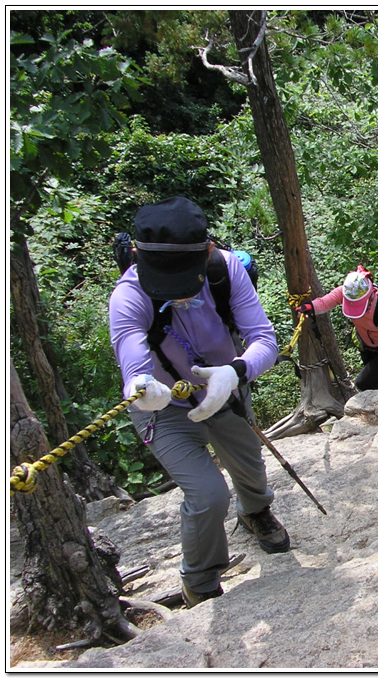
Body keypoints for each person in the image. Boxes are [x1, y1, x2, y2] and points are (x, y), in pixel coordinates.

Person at [109, 196, 287, 608]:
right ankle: (201, 579)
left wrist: (236, 372)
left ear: (207, 251)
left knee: (250, 466)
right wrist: (140, 386)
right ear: (137, 255)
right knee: (208, 495)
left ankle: (255, 511)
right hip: (166, 409)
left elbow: (264, 339)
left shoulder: (225, 271)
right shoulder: (128, 295)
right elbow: (131, 356)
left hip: (226, 390)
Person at [298, 266, 378, 394]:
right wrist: (309, 306)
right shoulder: (348, 292)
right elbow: (324, 302)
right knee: (373, 384)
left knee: (363, 383)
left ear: (369, 297)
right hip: (366, 346)